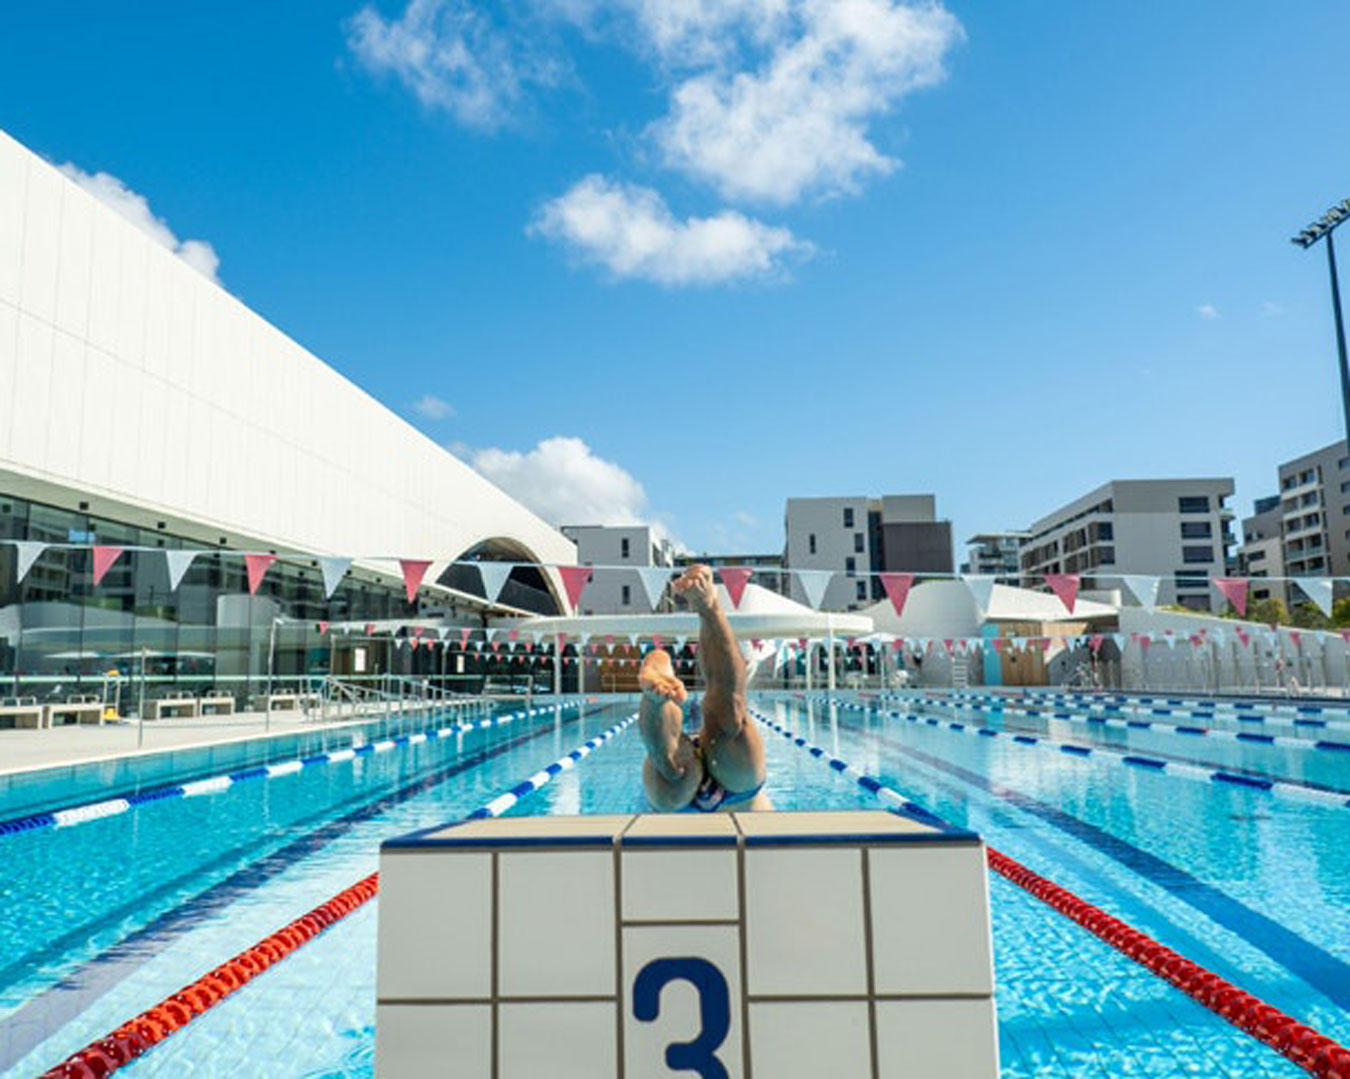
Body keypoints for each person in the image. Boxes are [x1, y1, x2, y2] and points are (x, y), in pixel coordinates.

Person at [637, 563, 771, 812]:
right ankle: (709, 608)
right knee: (730, 715)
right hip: (743, 799)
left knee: (671, 768)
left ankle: (656, 699)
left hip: (677, 812)